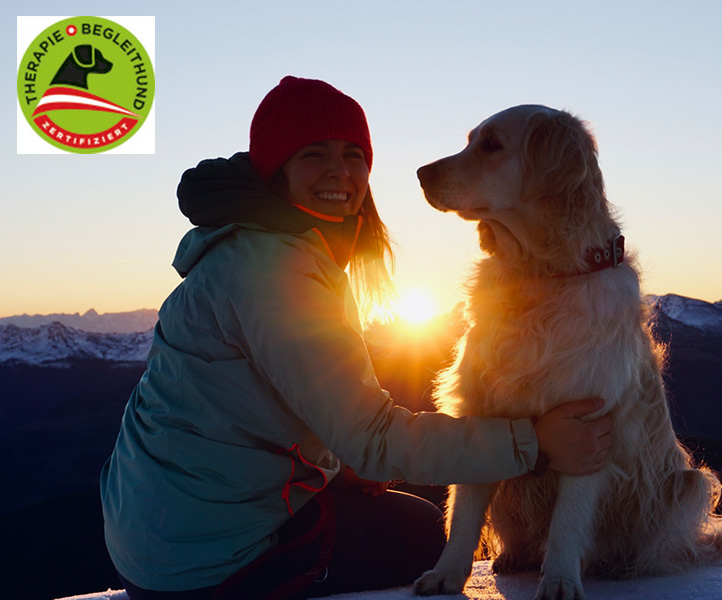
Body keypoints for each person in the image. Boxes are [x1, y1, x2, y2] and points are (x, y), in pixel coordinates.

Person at [100, 76, 612, 600]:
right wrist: (536, 443)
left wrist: (333, 465)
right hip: (202, 563)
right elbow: (372, 439)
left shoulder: (258, 246)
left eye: (353, 154)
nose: (340, 172)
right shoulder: (276, 272)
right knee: (414, 534)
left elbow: (250, 408)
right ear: (276, 167)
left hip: (158, 528)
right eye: (312, 154)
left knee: (394, 512)